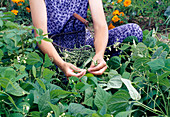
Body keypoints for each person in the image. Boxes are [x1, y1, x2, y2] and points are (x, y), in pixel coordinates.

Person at [29, 0, 143, 78]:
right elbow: (41, 37)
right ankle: (68, 73)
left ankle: (99, 67)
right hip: (53, 52)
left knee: (133, 31)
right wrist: (62, 64)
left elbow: (100, 26)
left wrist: (99, 54)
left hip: (84, 46)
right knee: (52, 73)